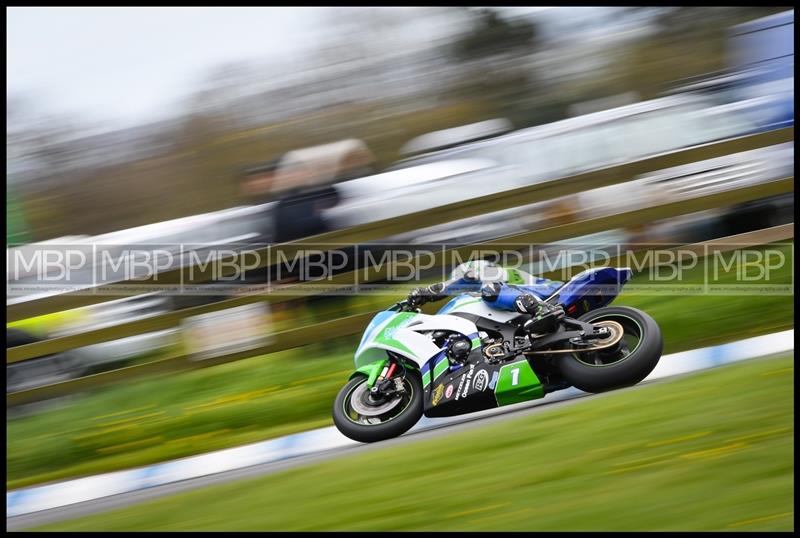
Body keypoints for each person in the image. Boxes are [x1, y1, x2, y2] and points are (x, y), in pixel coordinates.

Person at [406, 260, 566, 335]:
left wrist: (426, 292)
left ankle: (540, 310)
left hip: (550, 292)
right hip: (540, 295)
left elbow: (454, 284)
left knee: (490, 292)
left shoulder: (487, 274)